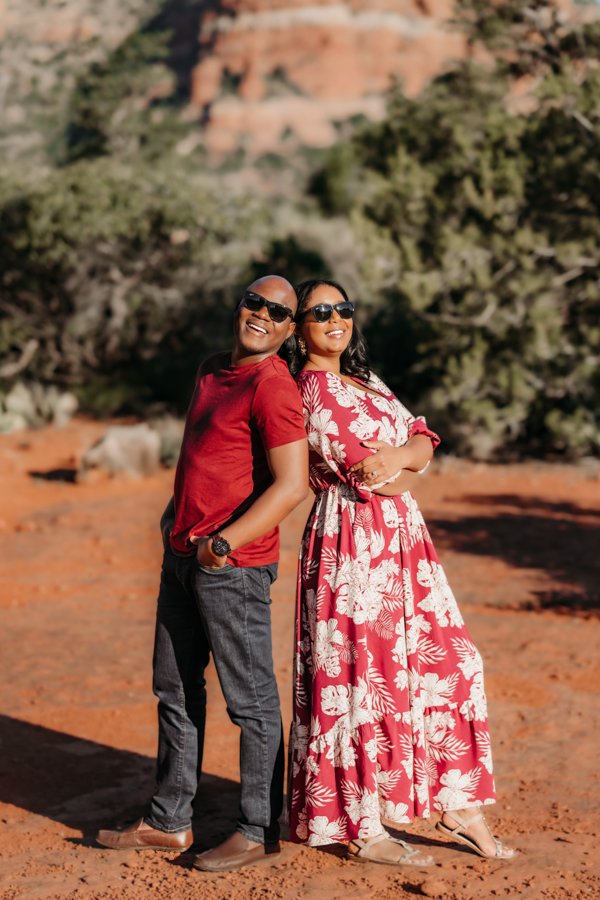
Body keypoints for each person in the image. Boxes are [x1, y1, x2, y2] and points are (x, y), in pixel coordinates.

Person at [287, 279, 518, 865]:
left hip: (403, 541)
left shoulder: (363, 379)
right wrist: (404, 460)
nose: (335, 319)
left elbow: (421, 439)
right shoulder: (311, 392)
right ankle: (364, 825)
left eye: (343, 309)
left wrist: (404, 455)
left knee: (451, 662)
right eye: (320, 312)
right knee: (363, 679)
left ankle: (457, 803)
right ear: (300, 327)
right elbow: (376, 475)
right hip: (354, 542)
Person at [97, 275, 309, 872]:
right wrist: (177, 526)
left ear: (290, 329)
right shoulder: (214, 368)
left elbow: (291, 485)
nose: (261, 314)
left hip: (232, 567)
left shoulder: (274, 387)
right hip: (182, 558)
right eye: (254, 301)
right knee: (175, 687)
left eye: (277, 311)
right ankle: (170, 821)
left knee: (252, 702)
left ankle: (258, 827)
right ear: (239, 305)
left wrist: (224, 541)